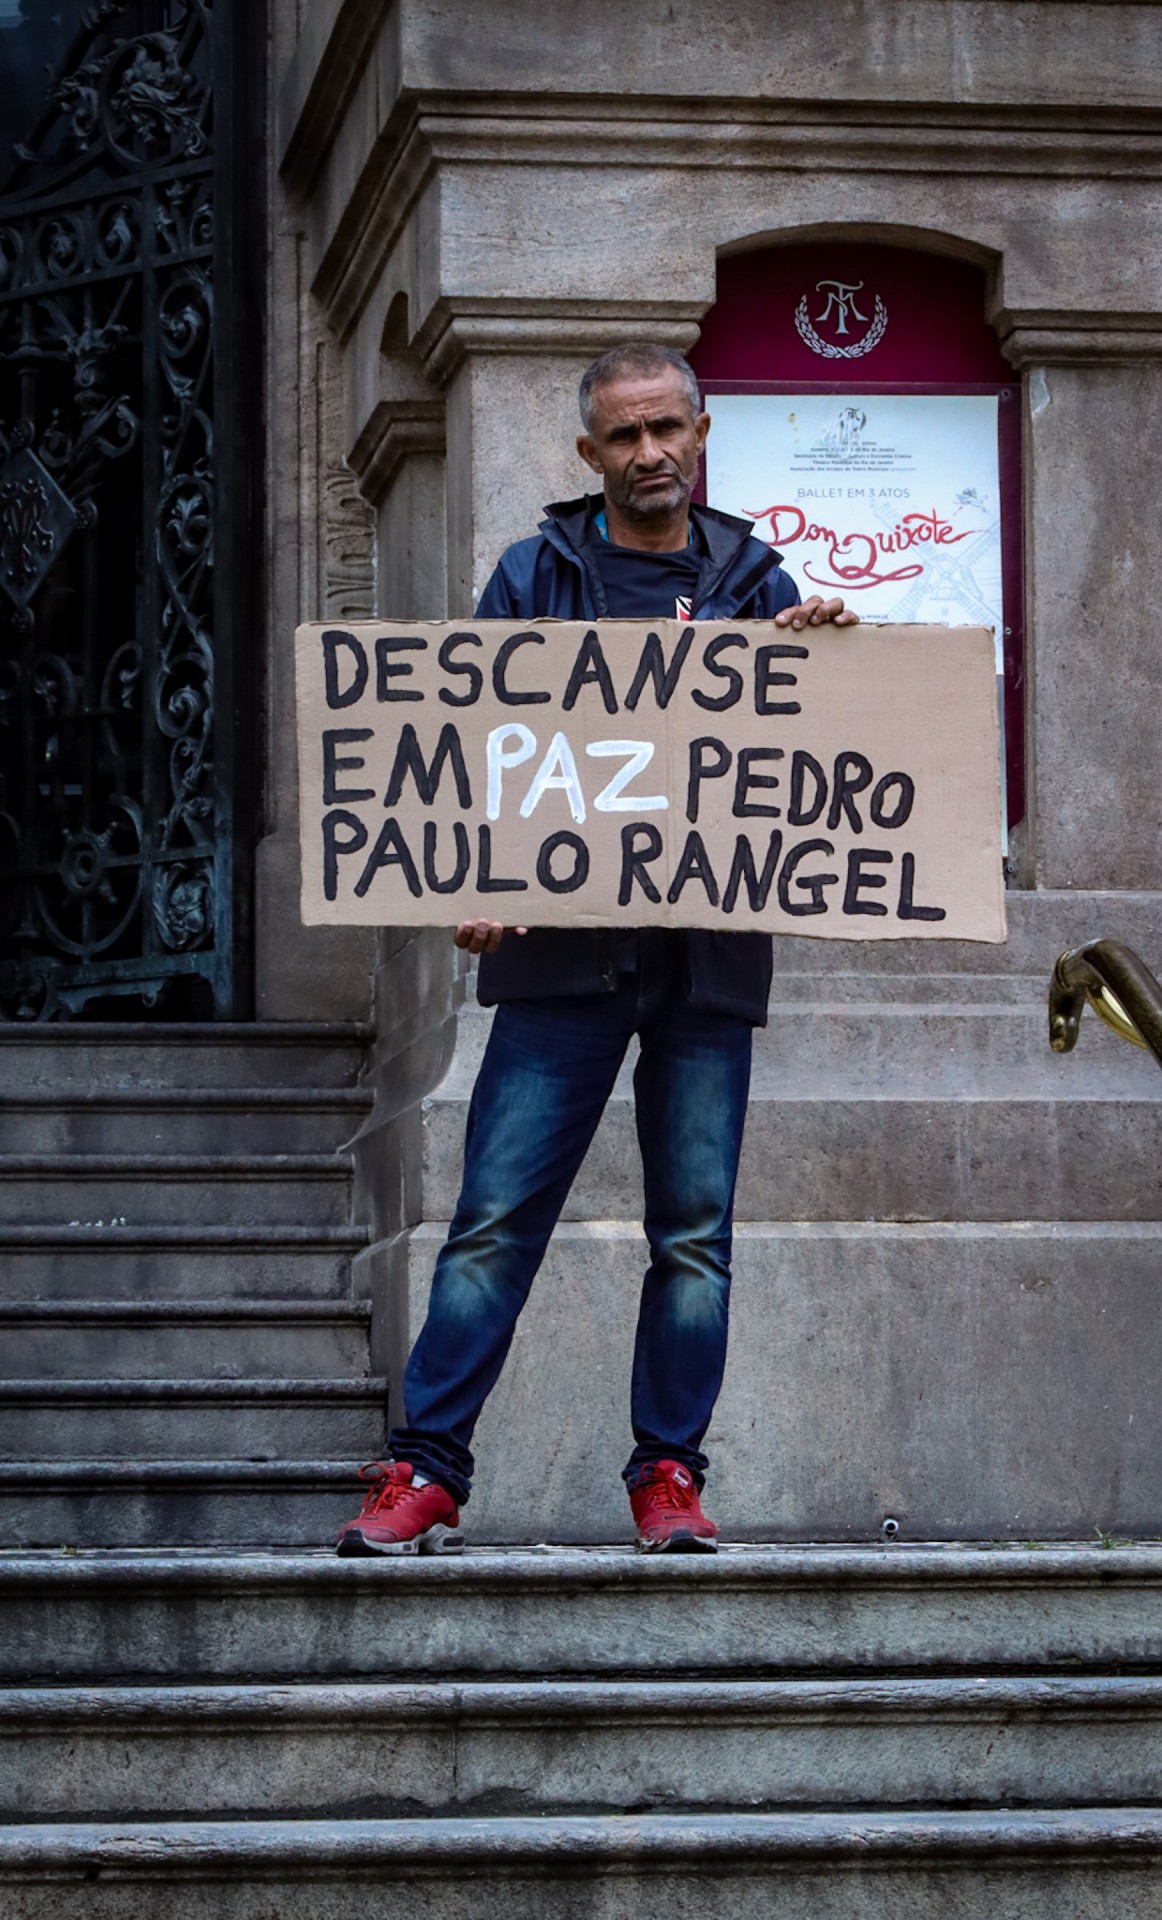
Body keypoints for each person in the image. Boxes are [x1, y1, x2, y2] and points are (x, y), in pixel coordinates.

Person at [335, 343, 858, 1558]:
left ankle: (669, 1476)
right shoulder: (533, 576)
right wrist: (472, 877)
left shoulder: (754, 580)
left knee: (693, 1237)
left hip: (704, 966)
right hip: (561, 965)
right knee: (490, 1223)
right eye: (624, 436)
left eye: (667, 427)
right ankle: (425, 1470)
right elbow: (469, 745)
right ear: (589, 454)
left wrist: (832, 658)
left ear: (703, 429)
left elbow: (812, 756)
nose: (650, 454)